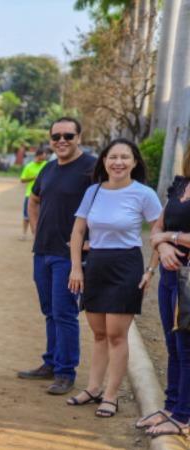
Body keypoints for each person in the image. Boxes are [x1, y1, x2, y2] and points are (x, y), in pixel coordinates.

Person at [66, 139, 162, 418]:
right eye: (112, 157)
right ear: (104, 161)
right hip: (95, 265)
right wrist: (76, 268)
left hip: (126, 265)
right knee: (98, 334)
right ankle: (93, 388)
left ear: (134, 162)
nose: (118, 162)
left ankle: (111, 396)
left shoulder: (144, 194)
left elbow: (159, 233)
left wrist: (151, 269)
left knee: (117, 336)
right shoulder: (93, 191)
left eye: (125, 157)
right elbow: (77, 232)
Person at [17, 117, 97, 395]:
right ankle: (50, 363)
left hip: (70, 255)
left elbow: (108, 203)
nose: (61, 141)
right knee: (49, 311)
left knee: (65, 313)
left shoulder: (92, 168)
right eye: (56, 137)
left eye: (68, 136)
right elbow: (35, 199)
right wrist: (37, 230)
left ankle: (65, 372)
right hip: (44, 251)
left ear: (79, 136)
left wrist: (91, 241)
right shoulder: (48, 169)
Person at [141, 146, 190, 435]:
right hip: (170, 277)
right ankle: (170, 407)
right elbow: (156, 228)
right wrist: (162, 244)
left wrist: (170, 238)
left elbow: (164, 231)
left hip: (188, 280)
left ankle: (183, 416)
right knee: (172, 346)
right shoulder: (180, 184)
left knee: (187, 349)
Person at [19, 147, 49, 240]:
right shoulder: (29, 166)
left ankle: (37, 234)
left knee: (42, 216)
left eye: (44, 157)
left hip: (44, 195)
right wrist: (33, 178)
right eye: (42, 157)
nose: (43, 159)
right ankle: (24, 233)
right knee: (26, 216)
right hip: (30, 194)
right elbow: (22, 179)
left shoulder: (47, 165)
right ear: (38, 156)